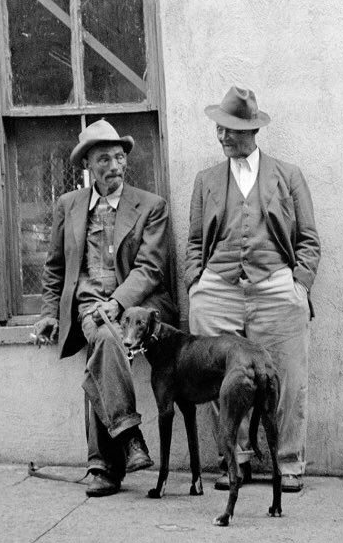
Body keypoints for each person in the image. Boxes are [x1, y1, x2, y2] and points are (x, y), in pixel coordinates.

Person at [33, 119, 179, 497]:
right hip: (86, 300)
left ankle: (105, 465)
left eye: (119, 157)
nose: (114, 166)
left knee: (105, 340)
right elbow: (55, 267)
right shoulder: (68, 205)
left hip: (133, 304)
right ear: (88, 166)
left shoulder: (151, 206)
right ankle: (128, 437)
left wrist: (117, 303)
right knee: (102, 336)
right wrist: (50, 312)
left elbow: (150, 268)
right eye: (104, 160)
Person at [186, 86, 320, 494]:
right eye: (219, 129)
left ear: (251, 131)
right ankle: (235, 459)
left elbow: (309, 240)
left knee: (288, 376)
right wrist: (196, 284)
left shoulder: (287, 175)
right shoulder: (207, 179)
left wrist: (298, 285)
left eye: (230, 130)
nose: (222, 137)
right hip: (218, 288)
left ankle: (289, 462)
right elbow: (194, 242)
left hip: (276, 284)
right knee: (215, 378)